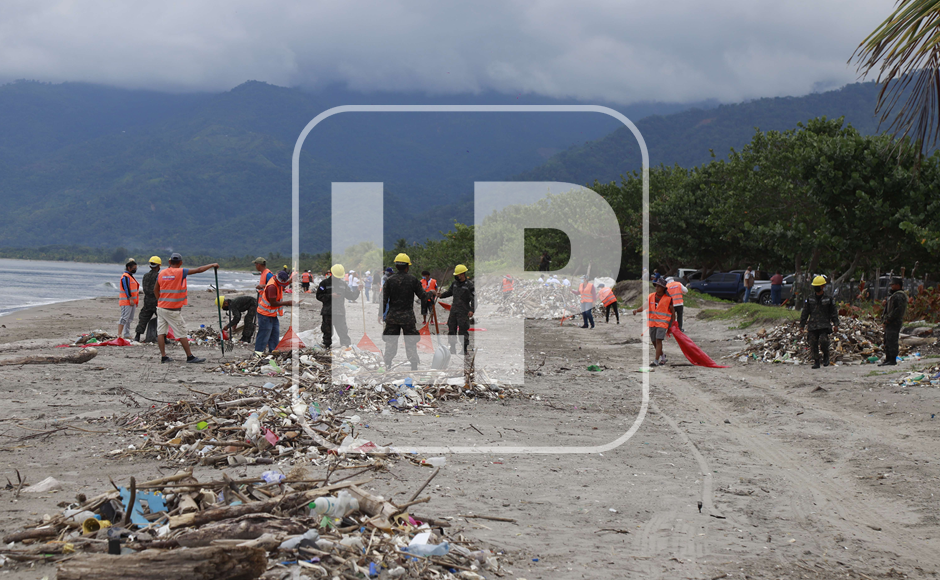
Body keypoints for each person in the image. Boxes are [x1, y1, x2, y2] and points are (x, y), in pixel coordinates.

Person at [154, 253, 219, 364]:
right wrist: (212, 265)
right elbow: (199, 270)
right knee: (182, 332)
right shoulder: (181, 272)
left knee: (161, 332)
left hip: (161, 307)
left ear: (169, 262)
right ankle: (190, 357)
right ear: (180, 263)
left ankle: (163, 356)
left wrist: (159, 300)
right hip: (172, 310)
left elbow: (155, 289)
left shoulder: (162, 273)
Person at [382, 253, 430, 370]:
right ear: (407, 266)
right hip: (408, 317)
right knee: (410, 341)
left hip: (392, 317)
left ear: (396, 266)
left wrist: (380, 314)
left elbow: (383, 299)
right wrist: (431, 293)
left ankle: (387, 363)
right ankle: (414, 365)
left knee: (391, 341)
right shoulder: (413, 280)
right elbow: (423, 296)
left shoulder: (389, 280)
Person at [799, 275, 840, 369]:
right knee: (813, 343)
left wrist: (836, 324)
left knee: (823, 341)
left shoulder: (828, 298)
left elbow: (833, 312)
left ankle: (826, 356)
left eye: (818, 286)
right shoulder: (810, 298)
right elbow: (805, 312)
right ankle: (816, 361)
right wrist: (802, 325)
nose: (816, 288)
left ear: (823, 286)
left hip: (824, 325)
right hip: (813, 325)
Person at [316, 264, 360, 349]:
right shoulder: (324, 283)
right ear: (332, 273)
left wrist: (357, 290)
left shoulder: (343, 284)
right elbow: (318, 296)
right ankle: (327, 347)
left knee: (343, 331)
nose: (338, 278)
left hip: (340, 312)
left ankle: (346, 346)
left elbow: (351, 296)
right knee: (327, 332)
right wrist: (330, 296)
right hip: (328, 312)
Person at [633, 279, 674, 366]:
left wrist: (672, 324)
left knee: (659, 340)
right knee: (654, 341)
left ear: (663, 288)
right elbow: (644, 306)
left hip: (662, 323)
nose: (657, 287)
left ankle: (656, 361)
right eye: (656, 286)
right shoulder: (651, 296)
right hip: (652, 323)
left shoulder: (668, 299)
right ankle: (662, 356)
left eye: (659, 286)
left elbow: (673, 312)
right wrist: (637, 310)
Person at [438, 264, 475, 355]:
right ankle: (452, 348)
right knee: (451, 329)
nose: (456, 276)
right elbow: (449, 292)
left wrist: (472, 310)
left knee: (463, 330)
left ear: (462, 274)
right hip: (454, 310)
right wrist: (441, 295)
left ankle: (464, 349)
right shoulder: (454, 283)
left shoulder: (469, 285)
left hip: (464, 311)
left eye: (457, 275)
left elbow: (474, 299)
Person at [255, 270, 294, 354]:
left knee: (274, 335)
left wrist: (292, 280)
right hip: (265, 314)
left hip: (272, 314)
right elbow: (273, 303)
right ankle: (258, 354)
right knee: (264, 336)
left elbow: (285, 283)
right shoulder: (272, 287)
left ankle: (273, 352)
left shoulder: (277, 280)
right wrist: (287, 303)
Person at [880, 277, 907, 366]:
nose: (891, 286)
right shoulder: (893, 295)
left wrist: (888, 320)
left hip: (894, 322)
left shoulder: (899, 296)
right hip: (890, 321)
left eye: (893, 284)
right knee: (887, 340)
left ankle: (892, 360)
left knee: (892, 340)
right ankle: (888, 358)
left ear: (898, 285)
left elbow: (897, 311)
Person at [134, 256, 162, 342]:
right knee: (162, 320)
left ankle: (137, 336)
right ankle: (163, 338)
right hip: (157, 301)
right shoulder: (159, 276)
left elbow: (145, 288)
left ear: (150, 266)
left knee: (143, 319)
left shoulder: (145, 276)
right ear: (159, 266)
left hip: (147, 301)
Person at [117, 258, 139, 340]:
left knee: (129, 319)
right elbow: (126, 288)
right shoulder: (125, 277)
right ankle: (119, 334)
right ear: (129, 268)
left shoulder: (130, 276)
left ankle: (126, 334)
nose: (135, 270)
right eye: (134, 268)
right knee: (124, 318)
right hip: (126, 301)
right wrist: (130, 298)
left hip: (132, 302)